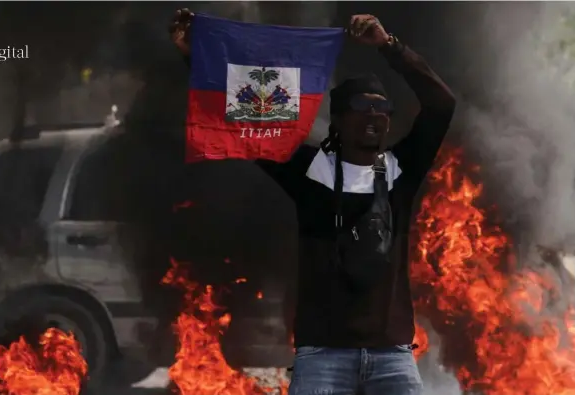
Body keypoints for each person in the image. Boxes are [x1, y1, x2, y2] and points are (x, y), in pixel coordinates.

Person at [170, 9, 455, 395]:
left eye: (381, 109)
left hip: (392, 357)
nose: (373, 117)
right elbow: (245, 118)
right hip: (323, 358)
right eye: (362, 107)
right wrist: (195, 55)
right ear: (337, 119)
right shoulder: (307, 170)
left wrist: (389, 46)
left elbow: (440, 103)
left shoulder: (400, 171)